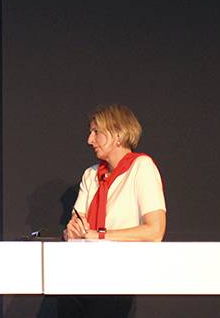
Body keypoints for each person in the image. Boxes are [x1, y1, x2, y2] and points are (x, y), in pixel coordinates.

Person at [60, 104, 166, 318]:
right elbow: (77, 227)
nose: (90, 140)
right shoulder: (91, 175)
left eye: (96, 132)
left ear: (118, 134)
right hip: (79, 277)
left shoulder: (141, 167)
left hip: (118, 277)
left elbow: (155, 231)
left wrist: (99, 236)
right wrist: (71, 232)